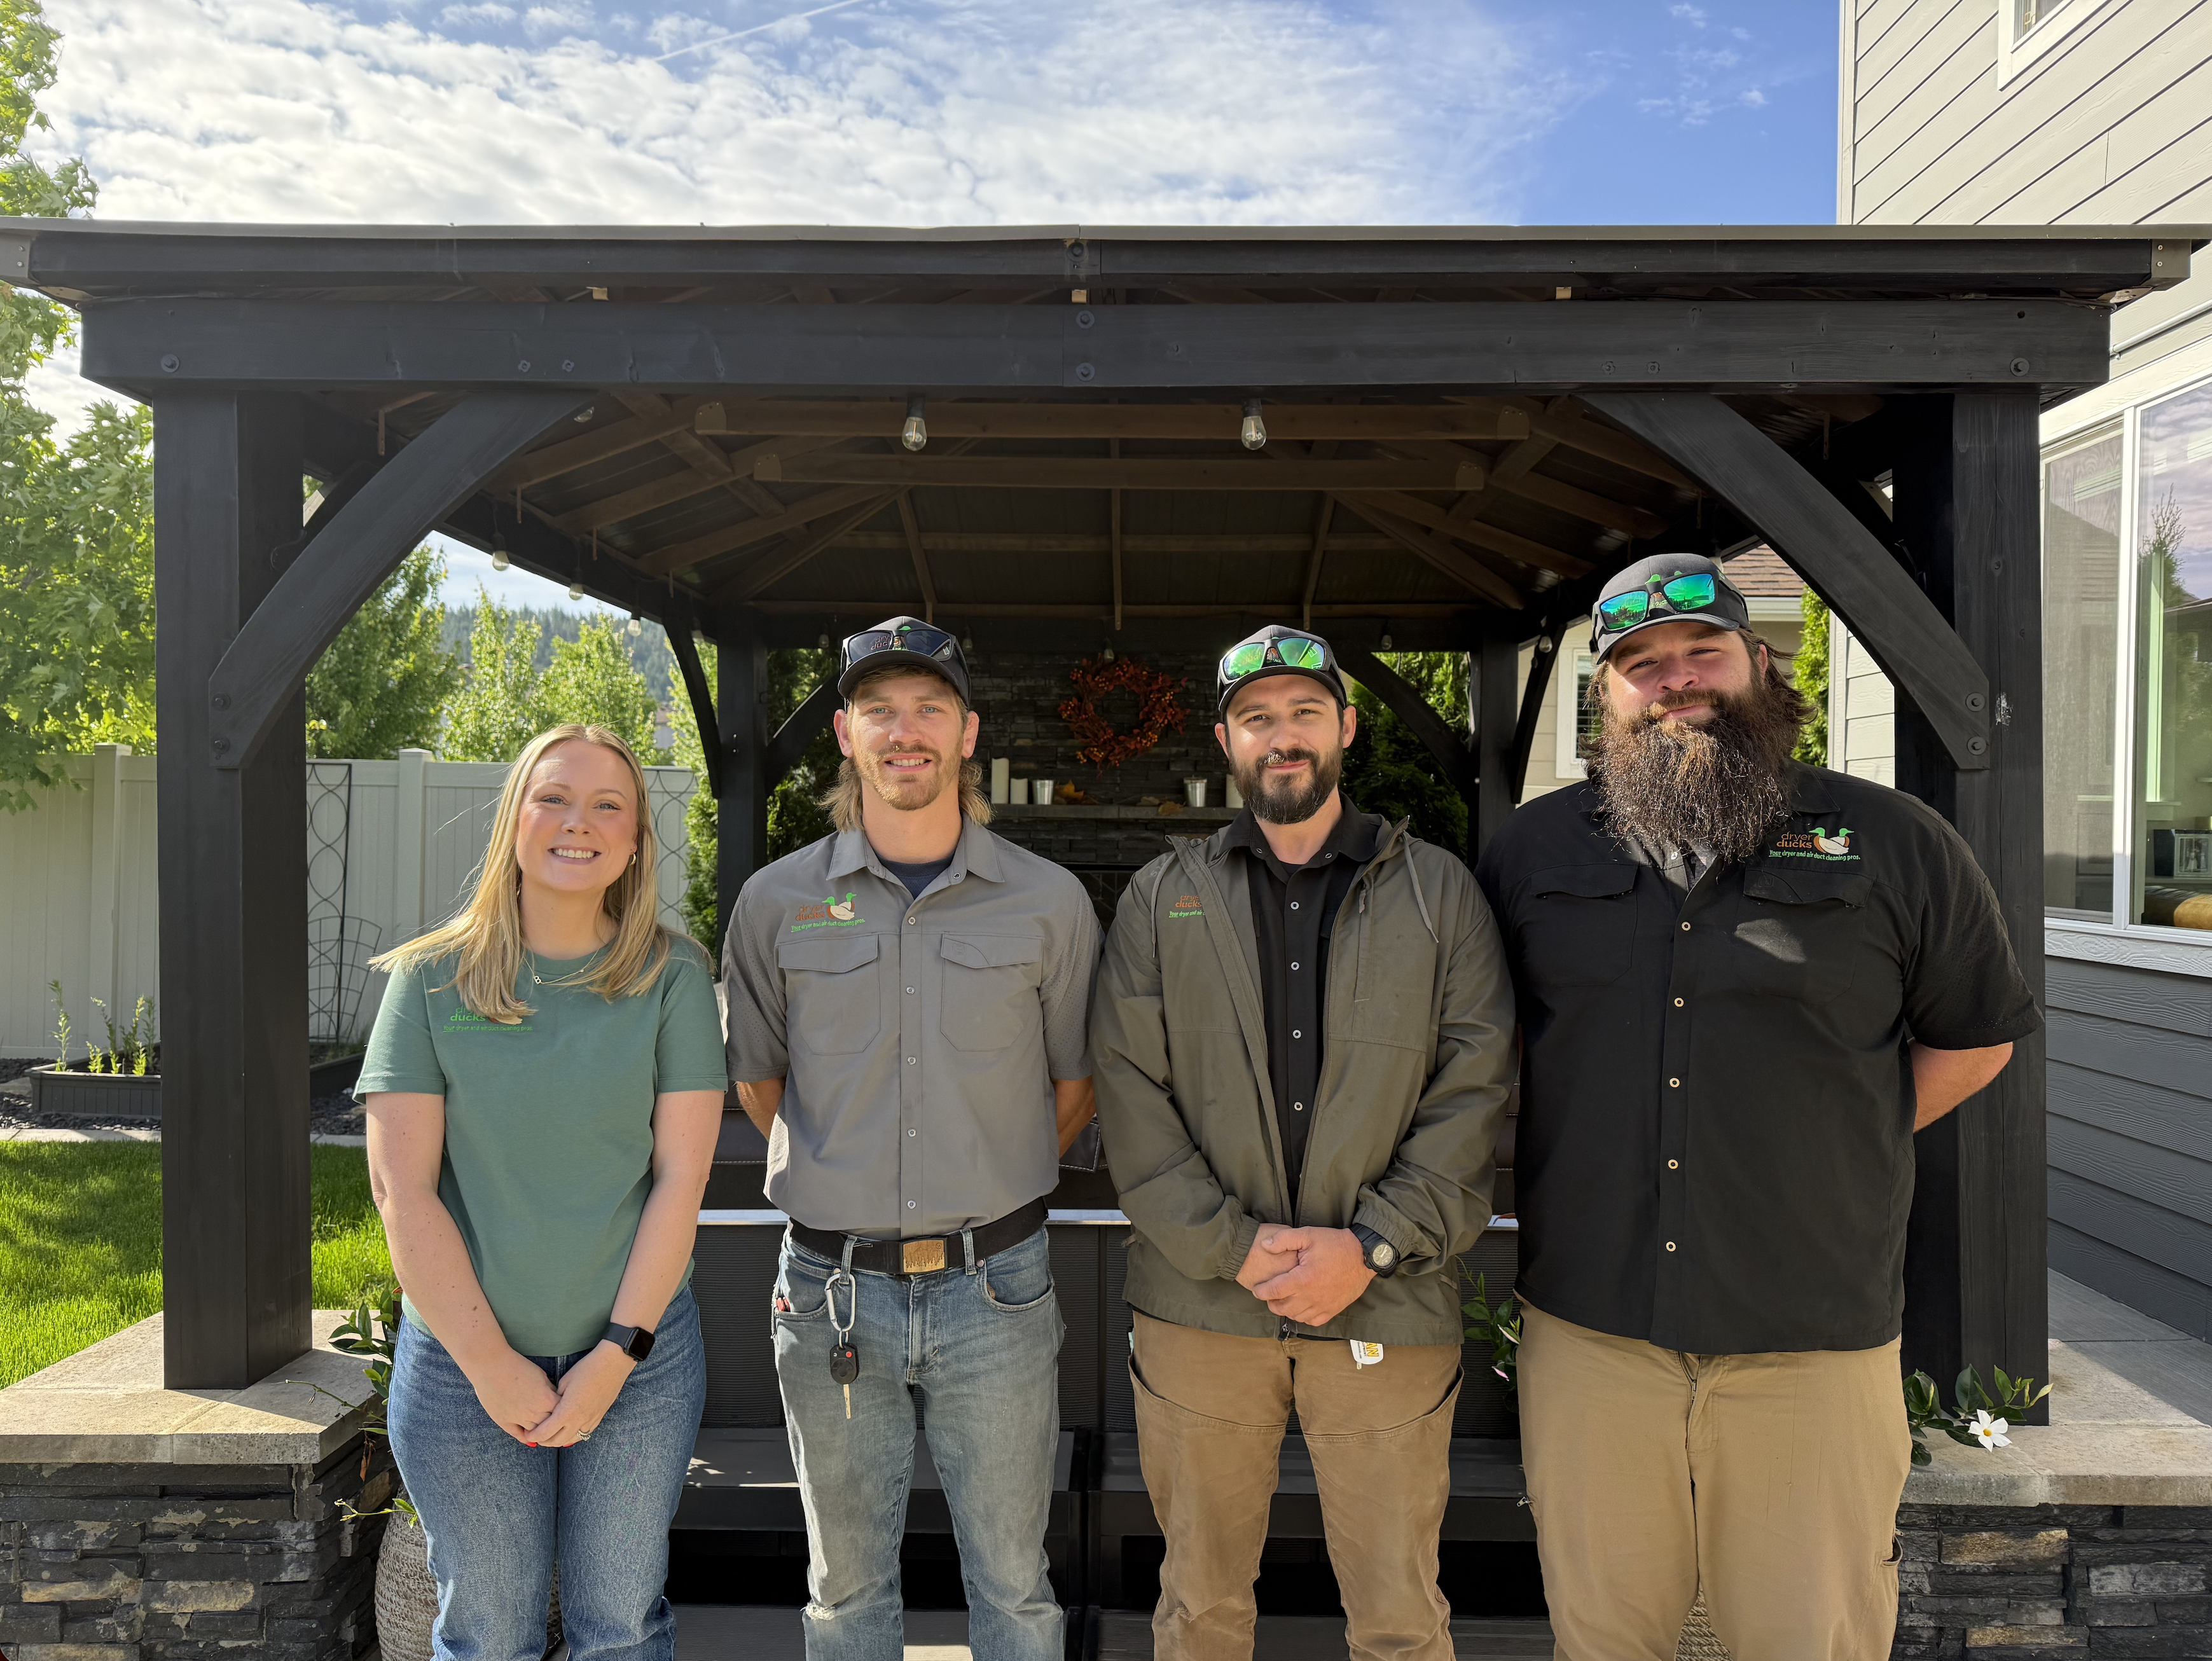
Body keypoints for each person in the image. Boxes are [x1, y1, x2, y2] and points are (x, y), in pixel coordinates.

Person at [1474, 553, 2042, 1661]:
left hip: (1809, 1335)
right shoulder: (1533, 851)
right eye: (1640, 664)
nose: (1674, 680)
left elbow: (1975, 1038)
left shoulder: (1894, 841)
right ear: (1608, 694)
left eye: (1702, 652)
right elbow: (1481, 1044)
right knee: (1603, 1636)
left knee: (1808, 1637)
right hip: (1592, 1330)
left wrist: (1835, 1134)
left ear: (1760, 665)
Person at [1090, 623, 1517, 1661]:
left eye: (1303, 714)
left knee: (1399, 1617)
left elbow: (1474, 1091)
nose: (1281, 737)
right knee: (1199, 1609)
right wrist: (1232, 1247)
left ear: (1346, 728)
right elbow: (1128, 1090)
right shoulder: (1162, 896)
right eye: (1256, 719)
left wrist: (1368, 1244)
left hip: (1386, 1303)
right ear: (1225, 743)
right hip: (1202, 1307)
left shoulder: (1439, 894)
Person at [722, 616, 1100, 1661]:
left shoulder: (1049, 903)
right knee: (845, 1592)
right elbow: (759, 1083)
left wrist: (982, 1177)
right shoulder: (775, 903)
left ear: (967, 733)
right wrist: (848, 1174)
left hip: (998, 1290)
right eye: (879, 710)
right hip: (831, 1293)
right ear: (846, 734)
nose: (905, 732)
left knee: (1015, 1588)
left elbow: (1074, 1088)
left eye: (929, 708)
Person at [359, 724, 729, 1661]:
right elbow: (403, 1191)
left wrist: (616, 1354)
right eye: (554, 798)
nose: (579, 822)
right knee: (487, 1635)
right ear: (514, 821)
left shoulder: (675, 978)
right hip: (461, 1364)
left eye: (609, 805)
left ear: (636, 840)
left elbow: (681, 1180)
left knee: (621, 1628)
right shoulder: (429, 979)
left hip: (638, 1363)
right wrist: (490, 1363)